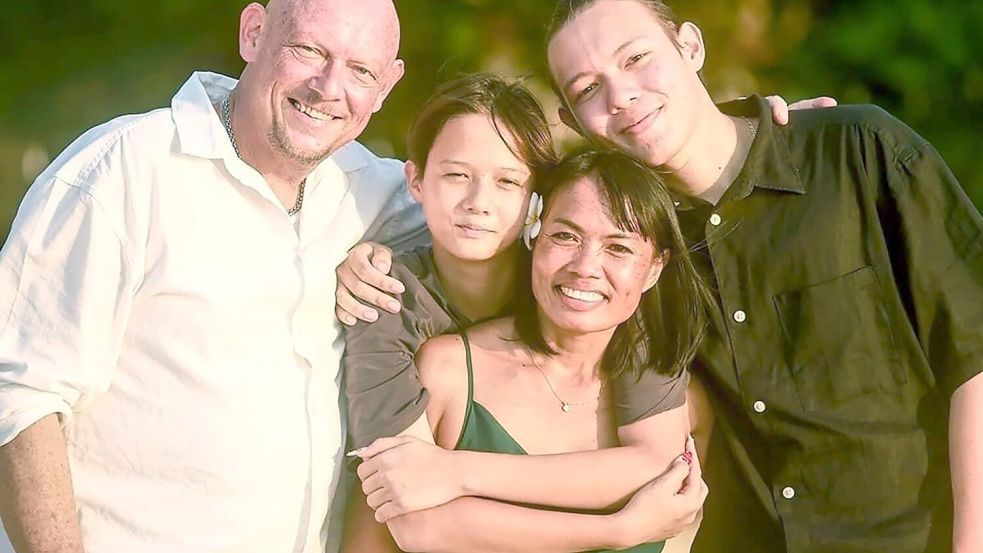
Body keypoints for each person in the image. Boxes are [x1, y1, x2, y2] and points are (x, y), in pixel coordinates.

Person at [542, 0, 983, 551]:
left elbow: (975, 357)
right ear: (571, 121)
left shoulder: (857, 152)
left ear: (691, 47)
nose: (621, 95)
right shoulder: (627, 252)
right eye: (587, 89)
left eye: (636, 58)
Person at [0, 1, 421, 552]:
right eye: (309, 51)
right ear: (253, 33)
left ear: (387, 85)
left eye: (361, 71)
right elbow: (19, 396)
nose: (328, 87)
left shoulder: (377, 192)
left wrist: (377, 253)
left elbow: (518, 222)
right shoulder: (122, 170)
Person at [341, 75, 711, 553]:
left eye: (507, 181)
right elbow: (408, 511)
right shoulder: (384, 300)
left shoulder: (585, 287)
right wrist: (619, 530)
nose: (478, 203)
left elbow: (654, 460)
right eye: (456, 175)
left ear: (536, 201)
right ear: (415, 180)